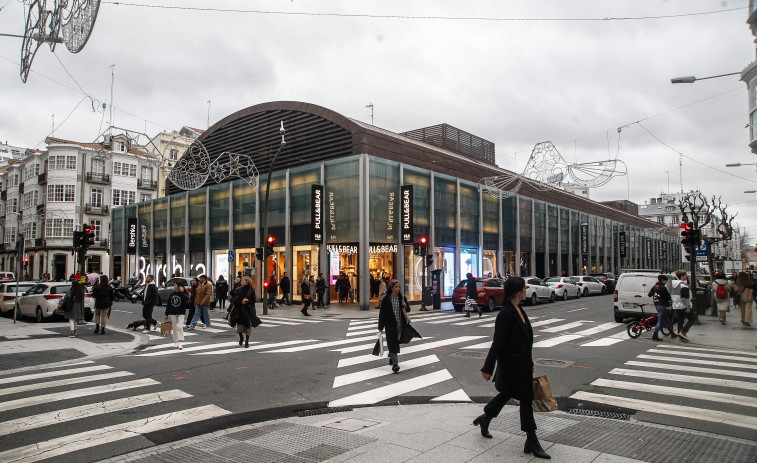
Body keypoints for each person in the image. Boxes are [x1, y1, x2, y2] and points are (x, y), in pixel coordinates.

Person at [474, 276, 550, 460]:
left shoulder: (519, 309)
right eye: (524, 288)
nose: (526, 290)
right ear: (517, 291)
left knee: (508, 395)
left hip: (522, 364)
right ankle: (532, 440)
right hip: (511, 366)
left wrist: (530, 362)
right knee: (525, 399)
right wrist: (488, 367)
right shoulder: (506, 314)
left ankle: (486, 418)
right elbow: (498, 342)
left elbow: (526, 341)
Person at [378, 280, 410, 373]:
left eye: (399, 287)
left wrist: (405, 306)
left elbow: (408, 310)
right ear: (392, 288)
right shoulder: (386, 300)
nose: (398, 288)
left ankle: (391, 355)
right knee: (393, 343)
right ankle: (395, 364)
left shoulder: (402, 298)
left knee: (396, 341)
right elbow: (382, 314)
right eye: (396, 287)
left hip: (400, 325)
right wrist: (380, 327)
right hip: (390, 326)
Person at [648, 274, 677, 341]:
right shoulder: (663, 288)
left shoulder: (655, 287)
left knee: (666, 318)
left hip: (656, 304)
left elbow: (649, 294)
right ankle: (655, 335)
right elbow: (668, 297)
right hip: (662, 305)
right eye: (665, 281)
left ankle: (672, 333)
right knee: (660, 321)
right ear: (662, 280)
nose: (666, 282)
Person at [231, 276, 257, 347]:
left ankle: (247, 341)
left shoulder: (252, 289)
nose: (241, 282)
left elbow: (254, 300)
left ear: (247, 282)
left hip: (249, 310)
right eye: (241, 281)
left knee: (248, 325)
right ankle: (241, 337)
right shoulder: (238, 289)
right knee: (240, 325)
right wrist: (241, 301)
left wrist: (247, 300)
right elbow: (234, 299)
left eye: (243, 281)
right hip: (240, 309)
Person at [165, 280, 189, 349]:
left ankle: (180, 342)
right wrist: (166, 313)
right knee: (174, 327)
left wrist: (181, 292)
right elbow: (169, 304)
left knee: (180, 327)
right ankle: (176, 341)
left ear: (179, 286)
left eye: (175, 285)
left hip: (181, 312)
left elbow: (186, 299)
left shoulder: (183, 294)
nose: (174, 286)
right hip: (173, 312)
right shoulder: (172, 294)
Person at [671, 270, 694, 342]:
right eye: (685, 275)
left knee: (680, 321)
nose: (686, 276)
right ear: (681, 276)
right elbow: (685, 298)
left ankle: (680, 336)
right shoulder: (683, 285)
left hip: (676, 305)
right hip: (683, 305)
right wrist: (688, 306)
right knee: (692, 319)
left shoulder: (673, 285)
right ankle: (683, 332)